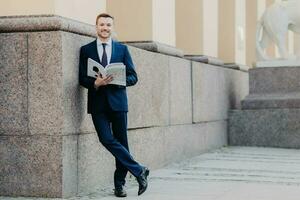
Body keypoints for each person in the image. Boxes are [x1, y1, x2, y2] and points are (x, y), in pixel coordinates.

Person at [79, 13, 149, 197]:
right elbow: (82, 78)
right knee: (106, 139)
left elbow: (134, 77)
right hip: (97, 104)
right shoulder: (86, 50)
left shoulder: (122, 50)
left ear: (112, 27)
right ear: (96, 27)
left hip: (118, 102)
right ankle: (139, 170)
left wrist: (119, 80)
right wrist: (95, 83)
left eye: (108, 25)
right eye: (102, 24)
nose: (105, 28)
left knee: (122, 143)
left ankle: (120, 185)